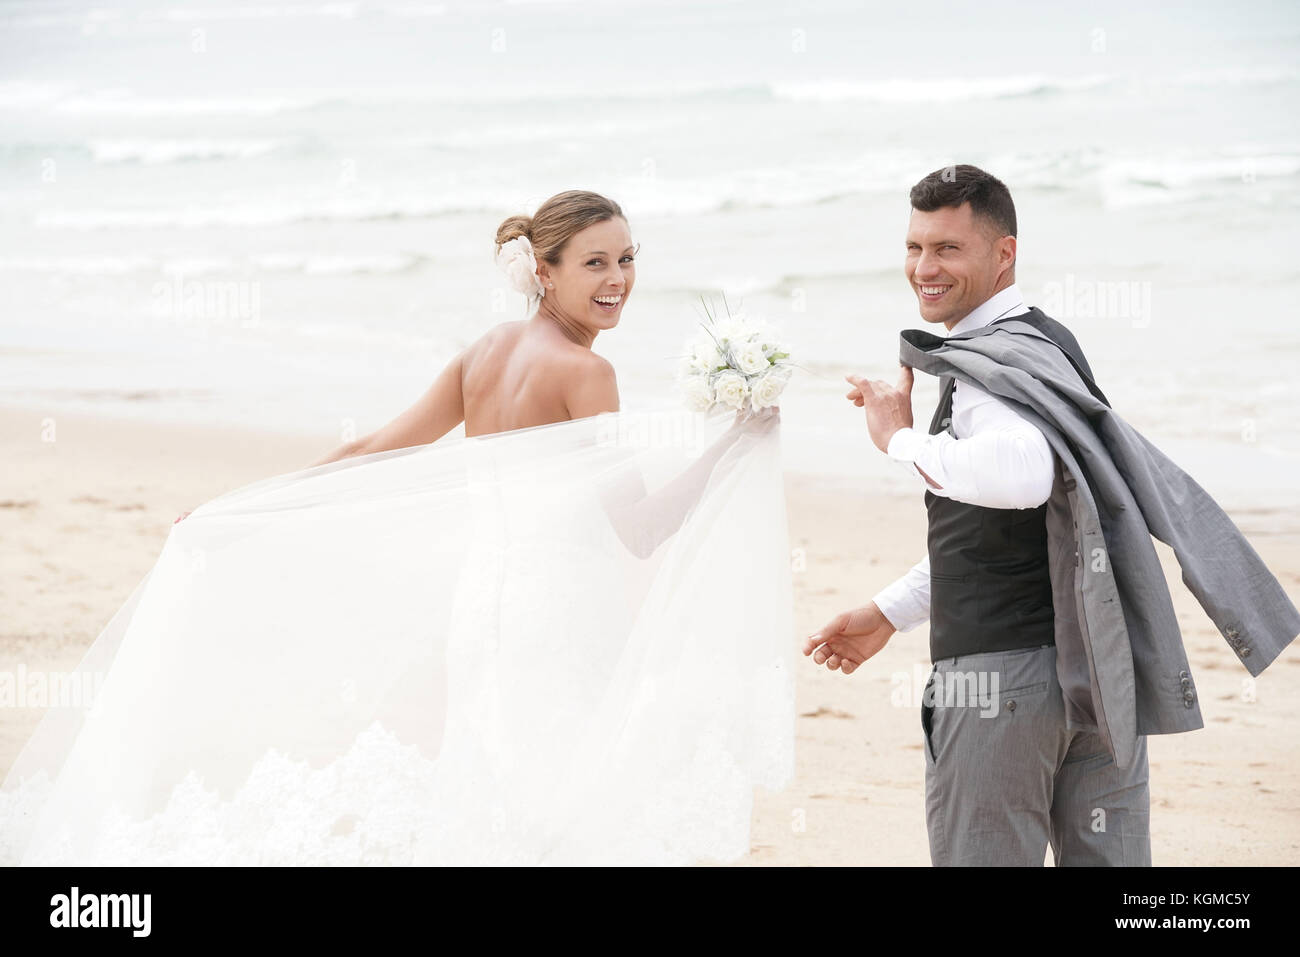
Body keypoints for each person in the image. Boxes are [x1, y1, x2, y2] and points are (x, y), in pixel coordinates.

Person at [3, 190, 794, 866]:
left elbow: (372, 448)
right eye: (594, 263)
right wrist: (733, 447)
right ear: (543, 271)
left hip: (484, 604)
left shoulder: (485, 352)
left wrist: (243, 506)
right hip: (557, 610)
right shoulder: (587, 372)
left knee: (496, 770)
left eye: (627, 258)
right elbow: (641, 529)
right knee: (553, 785)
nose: (618, 279)